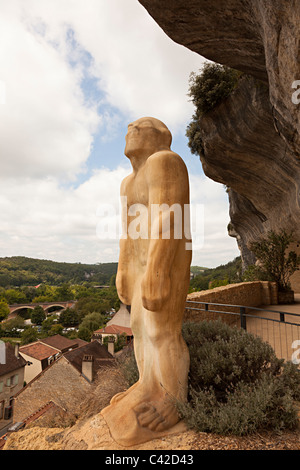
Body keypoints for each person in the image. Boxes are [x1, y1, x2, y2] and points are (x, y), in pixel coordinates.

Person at [101, 117, 192, 446]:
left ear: (162, 137)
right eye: (130, 126)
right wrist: (123, 270)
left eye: (141, 126)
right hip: (140, 265)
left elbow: (171, 217)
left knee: (162, 330)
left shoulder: (165, 161)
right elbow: (127, 232)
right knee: (139, 327)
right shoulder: (128, 183)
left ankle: (173, 399)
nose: (131, 128)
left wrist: (157, 271)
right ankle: (147, 384)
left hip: (166, 261)